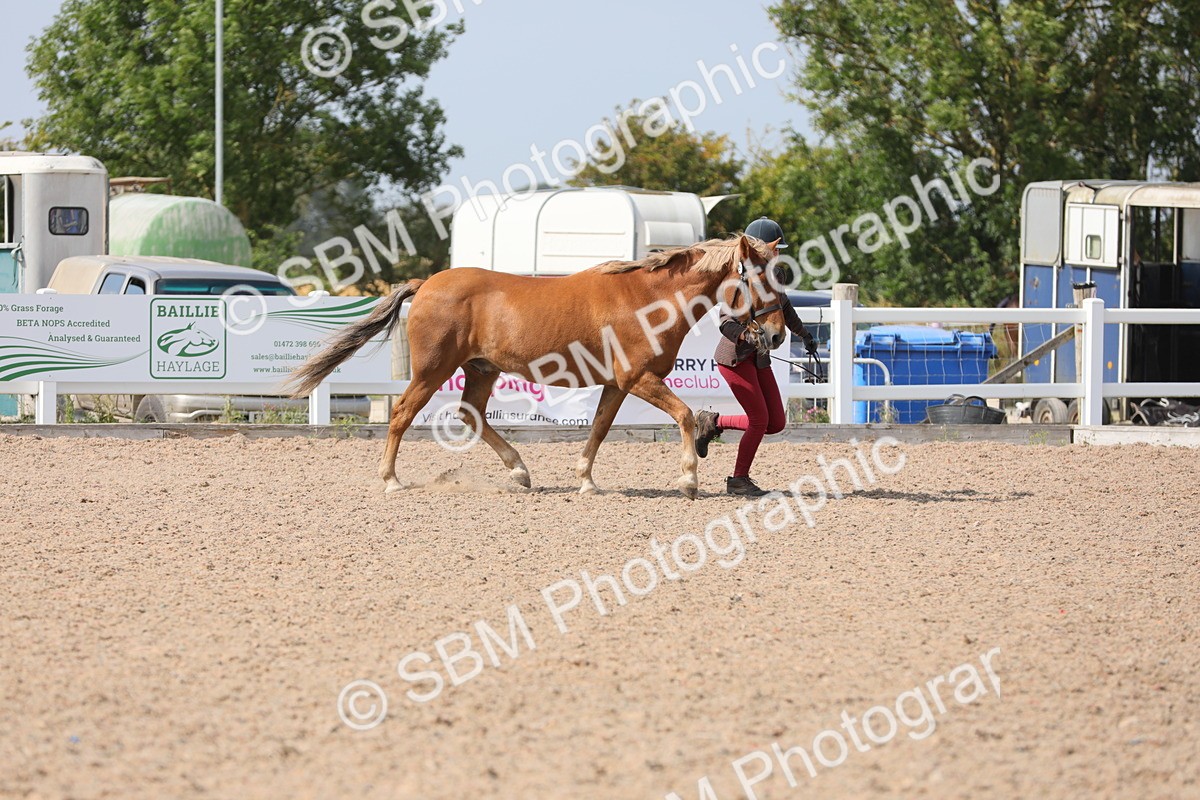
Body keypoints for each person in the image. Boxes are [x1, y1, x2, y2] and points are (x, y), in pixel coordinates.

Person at [695, 217, 818, 497]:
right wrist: (747, 336)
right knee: (759, 420)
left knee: (776, 423)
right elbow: (726, 323)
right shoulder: (738, 280)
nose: (778, 255)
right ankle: (738, 479)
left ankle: (712, 423)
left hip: (759, 359)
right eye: (775, 250)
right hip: (735, 358)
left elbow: (784, 309)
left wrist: (805, 335)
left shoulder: (776, 276)